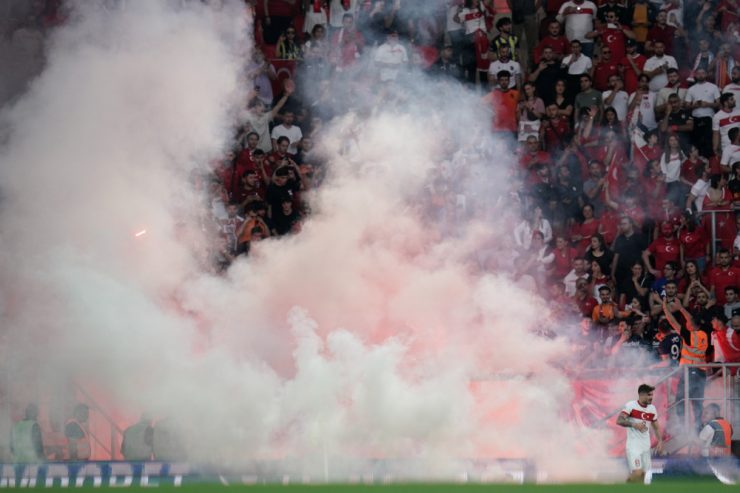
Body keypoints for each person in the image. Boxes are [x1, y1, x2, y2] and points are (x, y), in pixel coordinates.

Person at [664, 299, 709, 434]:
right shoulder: (703, 334)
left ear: (691, 325)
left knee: (680, 399)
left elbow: (673, 322)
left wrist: (665, 307)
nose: (686, 322)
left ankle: (684, 427)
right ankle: (697, 428)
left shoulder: (689, 335)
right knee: (697, 402)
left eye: (688, 322)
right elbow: (692, 319)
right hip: (700, 372)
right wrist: (681, 308)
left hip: (690, 371)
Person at [616, 383, 663, 484]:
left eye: (652, 395)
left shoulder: (652, 409)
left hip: (646, 447)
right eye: (649, 395)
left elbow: (656, 427)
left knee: (643, 476)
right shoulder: (631, 406)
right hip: (633, 447)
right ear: (642, 395)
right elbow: (619, 420)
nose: (651, 397)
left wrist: (660, 441)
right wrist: (634, 424)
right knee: (637, 472)